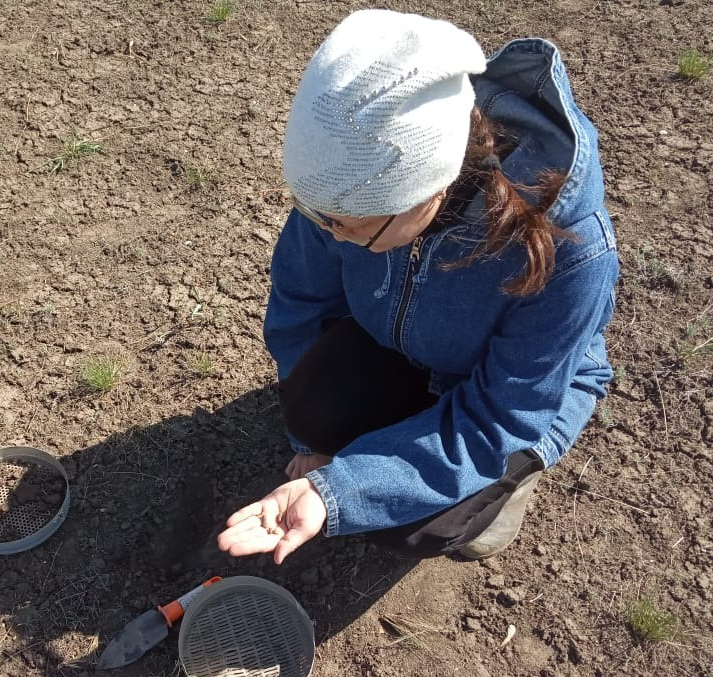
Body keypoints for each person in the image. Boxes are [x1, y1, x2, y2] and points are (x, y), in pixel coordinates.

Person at [218, 10, 618, 565]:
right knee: (310, 409)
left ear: (429, 190)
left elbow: (499, 416)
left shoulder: (568, 252)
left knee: (419, 527)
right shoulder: (341, 196)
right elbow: (301, 306)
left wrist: (341, 491)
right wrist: (318, 448)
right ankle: (394, 436)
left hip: (507, 398)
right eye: (321, 217)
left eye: (350, 226)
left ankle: (511, 484)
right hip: (401, 342)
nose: (330, 233)